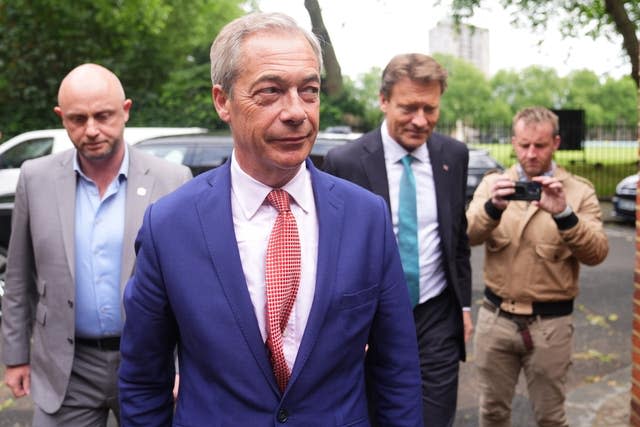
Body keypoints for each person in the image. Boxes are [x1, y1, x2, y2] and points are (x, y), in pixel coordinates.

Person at [117, 12, 422, 426]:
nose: (296, 111)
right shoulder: (169, 225)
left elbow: (396, 372)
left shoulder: (366, 218)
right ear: (222, 101)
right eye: (271, 92)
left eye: (309, 91)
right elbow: (142, 381)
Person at [1, 63, 192, 426]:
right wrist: (15, 355)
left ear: (126, 111)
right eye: (77, 119)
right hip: (64, 366)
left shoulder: (172, 180)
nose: (91, 130)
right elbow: (19, 275)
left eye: (103, 115)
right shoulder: (35, 177)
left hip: (150, 361)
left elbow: (190, 286)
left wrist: (185, 365)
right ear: (61, 117)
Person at [323, 53, 472, 427]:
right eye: (408, 108)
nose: (420, 120)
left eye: (430, 108)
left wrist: (464, 308)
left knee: (434, 418)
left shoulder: (453, 155)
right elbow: (330, 253)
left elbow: (457, 238)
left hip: (436, 316)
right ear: (384, 100)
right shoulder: (346, 162)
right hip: (370, 320)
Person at [466, 106, 609, 426]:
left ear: (556, 143)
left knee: (551, 418)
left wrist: (564, 215)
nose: (531, 154)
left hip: (551, 326)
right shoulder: (493, 185)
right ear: (514, 142)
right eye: (524, 145)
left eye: (540, 146)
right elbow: (465, 236)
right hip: (497, 320)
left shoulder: (578, 191)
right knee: (492, 412)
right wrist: (492, 208)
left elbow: (597, 252)